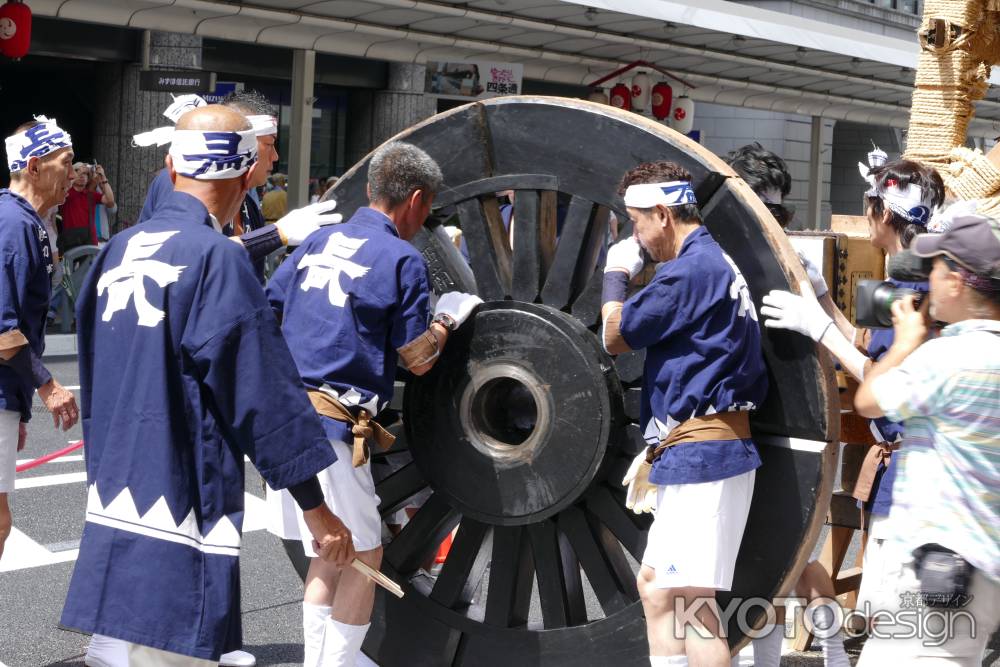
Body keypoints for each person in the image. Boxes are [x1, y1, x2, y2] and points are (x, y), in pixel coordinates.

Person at [60, 105, 356, 666]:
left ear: (170, 167)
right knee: (174, 651)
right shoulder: (218, 259)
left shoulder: (114, 253)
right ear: (246, 176)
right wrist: (318, 511)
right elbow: (262, 400)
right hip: (179, 494)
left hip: (115, 490)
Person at [265, 141, 482, 667]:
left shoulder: (315, 242)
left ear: (369, 191)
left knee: (329, 552)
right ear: (416, 200)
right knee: (363, 553)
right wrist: (448, 319)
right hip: (335, 428)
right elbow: (419, 359)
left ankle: (320, 662)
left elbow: (266, 311)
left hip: (286, 420)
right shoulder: (400, 257)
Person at [760, 156, 946, 630]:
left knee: (898, 619)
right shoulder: (923, 274)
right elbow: (864, 347)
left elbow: (879, 377)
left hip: (914, 471)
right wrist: (820, 295)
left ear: (882, 212)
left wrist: (819, 328)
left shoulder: (912, 283)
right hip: (913, 463)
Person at [602, 161, 768, 666]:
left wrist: (615, 275)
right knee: (657, 589)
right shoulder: (713, 263)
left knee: (695, 603)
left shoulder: (692, 270)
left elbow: (613, 336)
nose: (637, 234)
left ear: (662, 214)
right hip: (697, 450)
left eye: (637, 222)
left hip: (705, 454)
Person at [853, 211, 1000, 665]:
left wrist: (903, 343)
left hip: (936, 567)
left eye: (934, 270)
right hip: (982, 566)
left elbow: (869, 401)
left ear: (956, 281)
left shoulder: (945, 357)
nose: (927, 282)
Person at [726, 143, 850, 667]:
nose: (769, 222)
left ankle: (836, 652)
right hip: (735, 423)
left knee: (791, 550)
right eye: (761, 211)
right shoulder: (711, 254)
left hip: (795, 426)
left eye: (775, 214)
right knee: (760, 557)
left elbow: (840, 331)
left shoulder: (798, 261)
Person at [0, 116, 81, 560]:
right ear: (33, 166)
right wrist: (47, 387)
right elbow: (3, 330)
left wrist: (21, 407)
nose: (73, 174)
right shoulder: (13, 224)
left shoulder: (28, 222)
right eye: (66, 163)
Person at [59, 161, 116, 251]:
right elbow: (61, 191)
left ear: (88, 178)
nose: (82, 176)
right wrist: (74, 176)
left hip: (90, 242)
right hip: (70, 242)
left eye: (85, 174)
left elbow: (110, 201)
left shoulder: (90, 194)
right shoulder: (65, 193)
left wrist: (103, 178)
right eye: (77, 171)